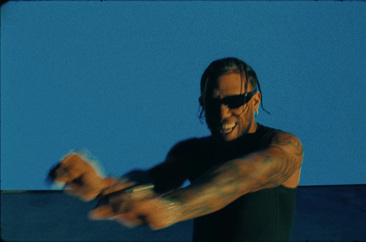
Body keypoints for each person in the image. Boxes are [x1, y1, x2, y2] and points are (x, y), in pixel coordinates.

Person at [48, 57, 303, 241]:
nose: (223, 114)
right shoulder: (191, 151)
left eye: (234, 102)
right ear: (202, 104)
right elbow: (151, 181)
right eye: (213, 104)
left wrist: (172, 207)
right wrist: (101, 185)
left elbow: (242, 176)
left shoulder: (283, 146)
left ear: (255, 101)